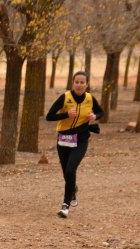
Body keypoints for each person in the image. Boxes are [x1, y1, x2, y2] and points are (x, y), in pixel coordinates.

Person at [46, 71, 103, 218]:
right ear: (73, 83)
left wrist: (95, 116)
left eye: (82, 82)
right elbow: (49, 116)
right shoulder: (65, 97)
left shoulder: (90, 98)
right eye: (76, 82)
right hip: (64, 139)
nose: (79, 85)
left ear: (86, 84)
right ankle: (73, 189)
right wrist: (66, 115)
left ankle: (65, 205)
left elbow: (101, 112)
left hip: (81, 139)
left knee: (71, 170)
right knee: (66, 173)